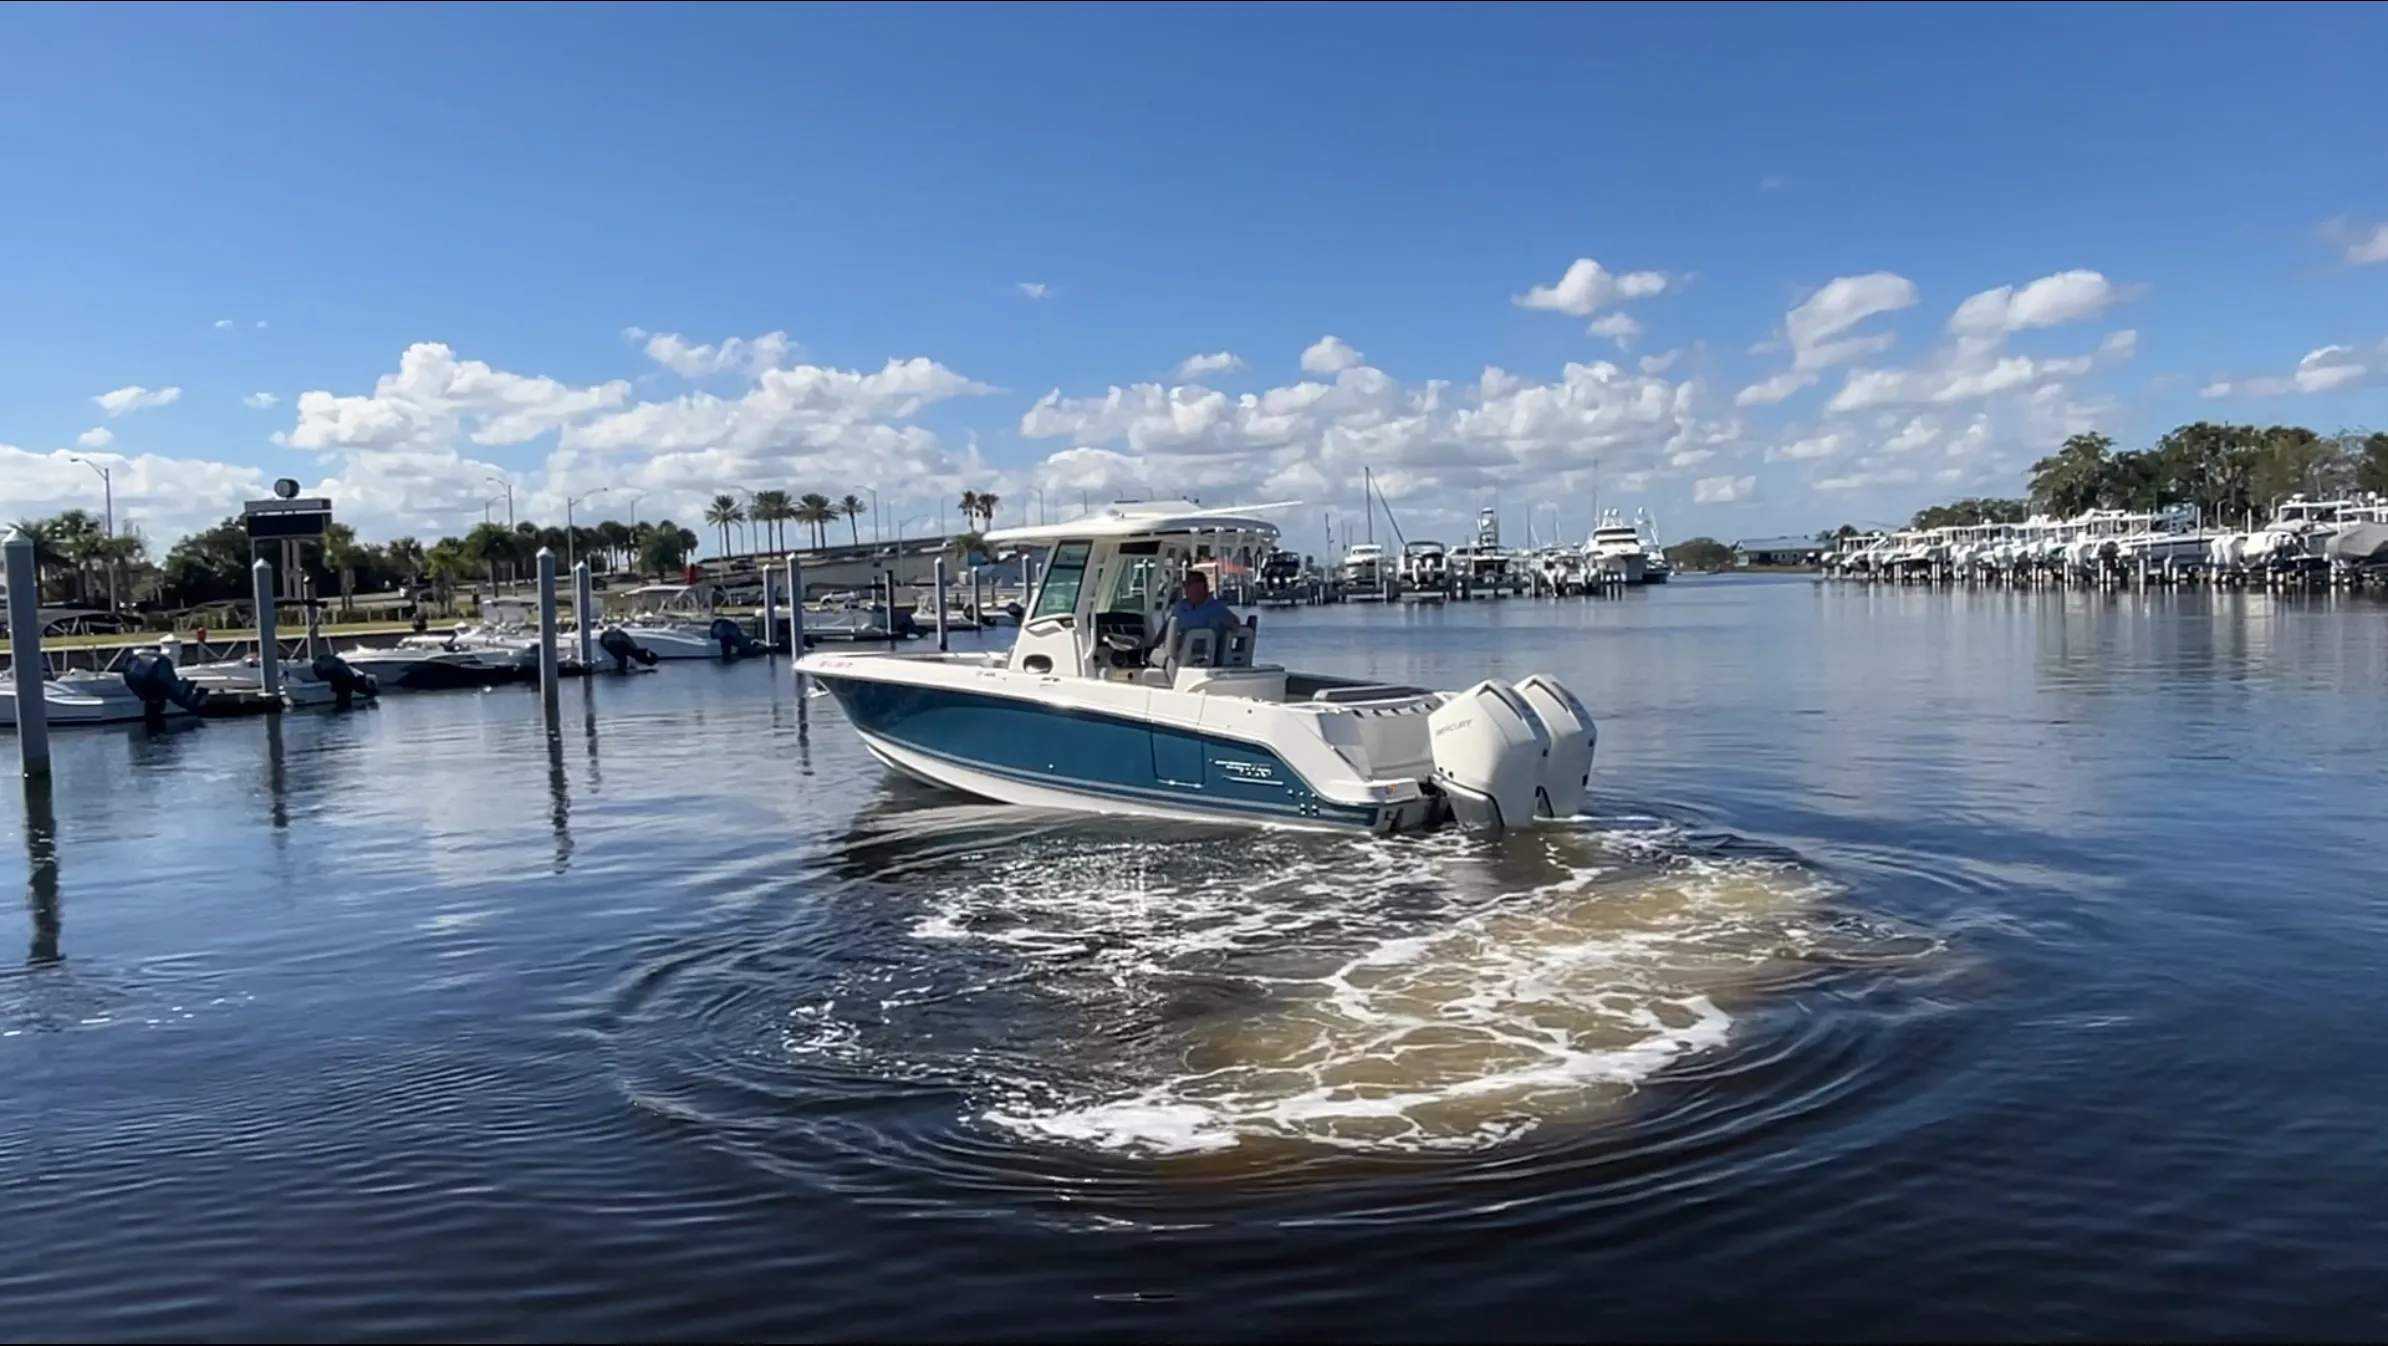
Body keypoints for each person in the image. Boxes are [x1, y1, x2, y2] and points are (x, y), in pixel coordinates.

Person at [1156, 570, 1241, 659]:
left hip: (1205, 657)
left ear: (1201, 586)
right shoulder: (1180, 607)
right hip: (1179, 654)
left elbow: (1235, 624)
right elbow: (1167, 628)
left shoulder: (1217, 608)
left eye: (1188, 584)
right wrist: (1154, 646)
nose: (1185, 588)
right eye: (1185, 585)